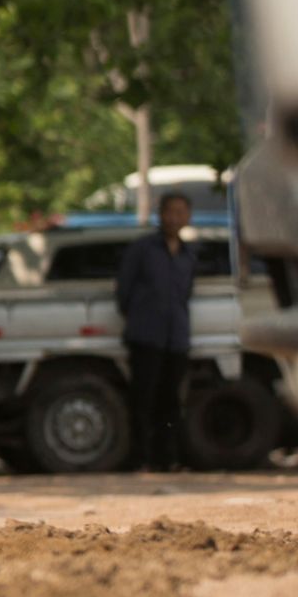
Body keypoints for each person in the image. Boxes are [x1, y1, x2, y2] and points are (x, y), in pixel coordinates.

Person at [117, 193, 199, 471]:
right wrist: (141, 316)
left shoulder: (188, 254)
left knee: (172, 401)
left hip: (176, 338)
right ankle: (139, 459)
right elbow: (123, 292)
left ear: (188, 217)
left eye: (181, 212)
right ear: (160, 214)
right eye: (170, 212)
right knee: (142, 399)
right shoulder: (143, 249)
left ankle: (167, 459)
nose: (175, 218)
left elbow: (186, 293)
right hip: (146, 335)